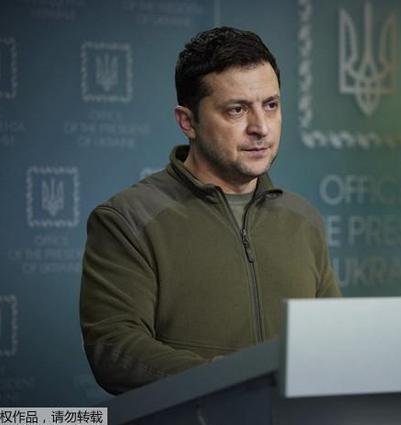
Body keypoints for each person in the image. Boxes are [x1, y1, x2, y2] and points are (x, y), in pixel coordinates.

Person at [79, 27, 341, 395]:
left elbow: (334, 341)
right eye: (237, 110)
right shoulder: (127, 220)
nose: (261, 128)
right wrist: (229, 379)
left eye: (271, 105)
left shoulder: (303, 219)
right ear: (187, 122)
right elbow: (115, 349)